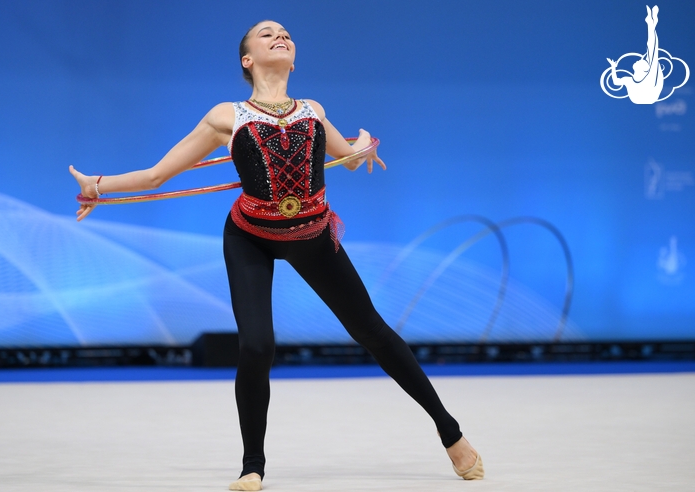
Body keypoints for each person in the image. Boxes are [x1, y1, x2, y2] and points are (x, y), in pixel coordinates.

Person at [69, 20, 482, 491]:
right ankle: (252, 466)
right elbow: (155, 177)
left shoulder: (312, 109)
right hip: (251, 235)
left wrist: (363, 147)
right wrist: (98, 187)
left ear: (294, 55)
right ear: (247, 59)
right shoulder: (227, 116)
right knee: (257, 345)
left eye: (284, 33)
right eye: (266, 34)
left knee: (374, 332)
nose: (279, 36)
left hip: (311, 232)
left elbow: (344, 155)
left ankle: (451, 433)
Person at [607, 5, 663, 104]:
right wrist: (613, 67)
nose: (639, 59)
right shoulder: (629, 80)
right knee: (652, 52)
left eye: (642, 61)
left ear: (644, 69)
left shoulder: (649, 77)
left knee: (652, 51)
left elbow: (653, 49)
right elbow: (616, 82)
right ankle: (651, 23)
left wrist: (651, 26)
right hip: (642, 98)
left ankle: (651, 23)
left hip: (649, 96)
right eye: (642, 60)